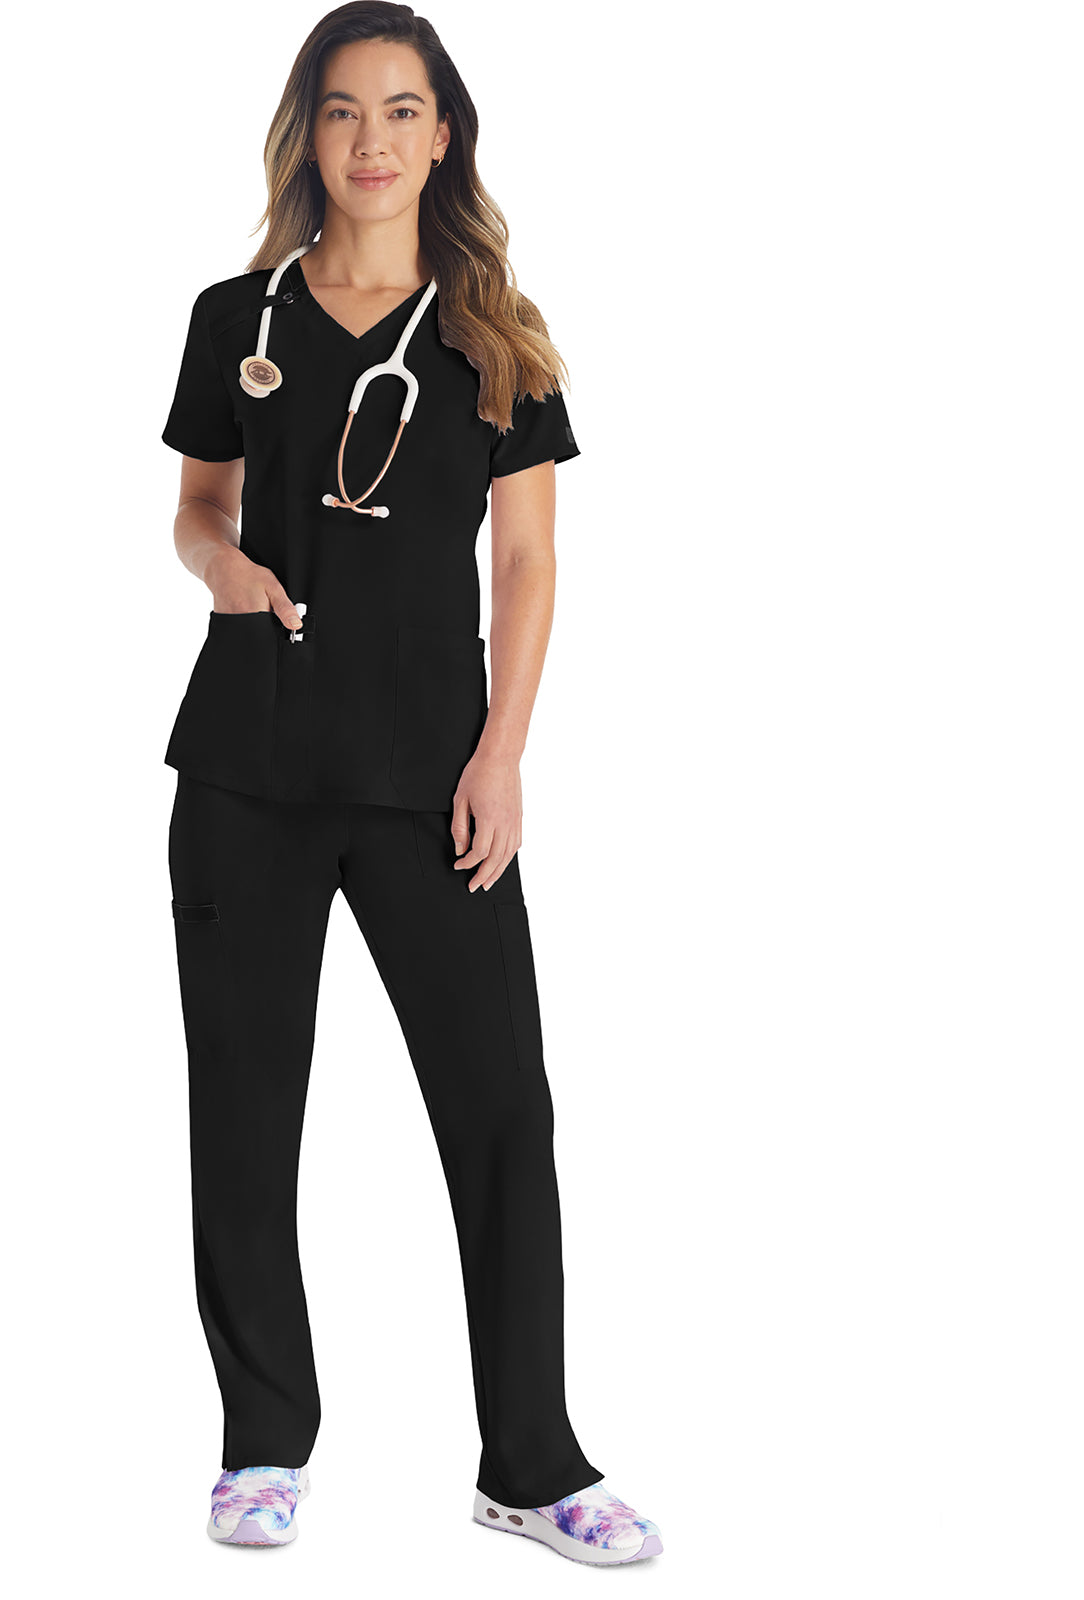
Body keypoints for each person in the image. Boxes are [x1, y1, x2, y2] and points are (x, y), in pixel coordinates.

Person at [162, 0, 663, 1566]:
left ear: (443, 136)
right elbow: (196, 508)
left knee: (502, 1109)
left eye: (399, 110)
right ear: (307, 134)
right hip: (245, 768)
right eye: (340, 109)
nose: (369, 139)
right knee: (246, 1109)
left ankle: (531, 1460)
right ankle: (261, 1445)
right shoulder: (234, 318)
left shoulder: (492, 335)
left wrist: (502, 754)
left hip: (432, 778)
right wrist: (223, 568)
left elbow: (529, 561)